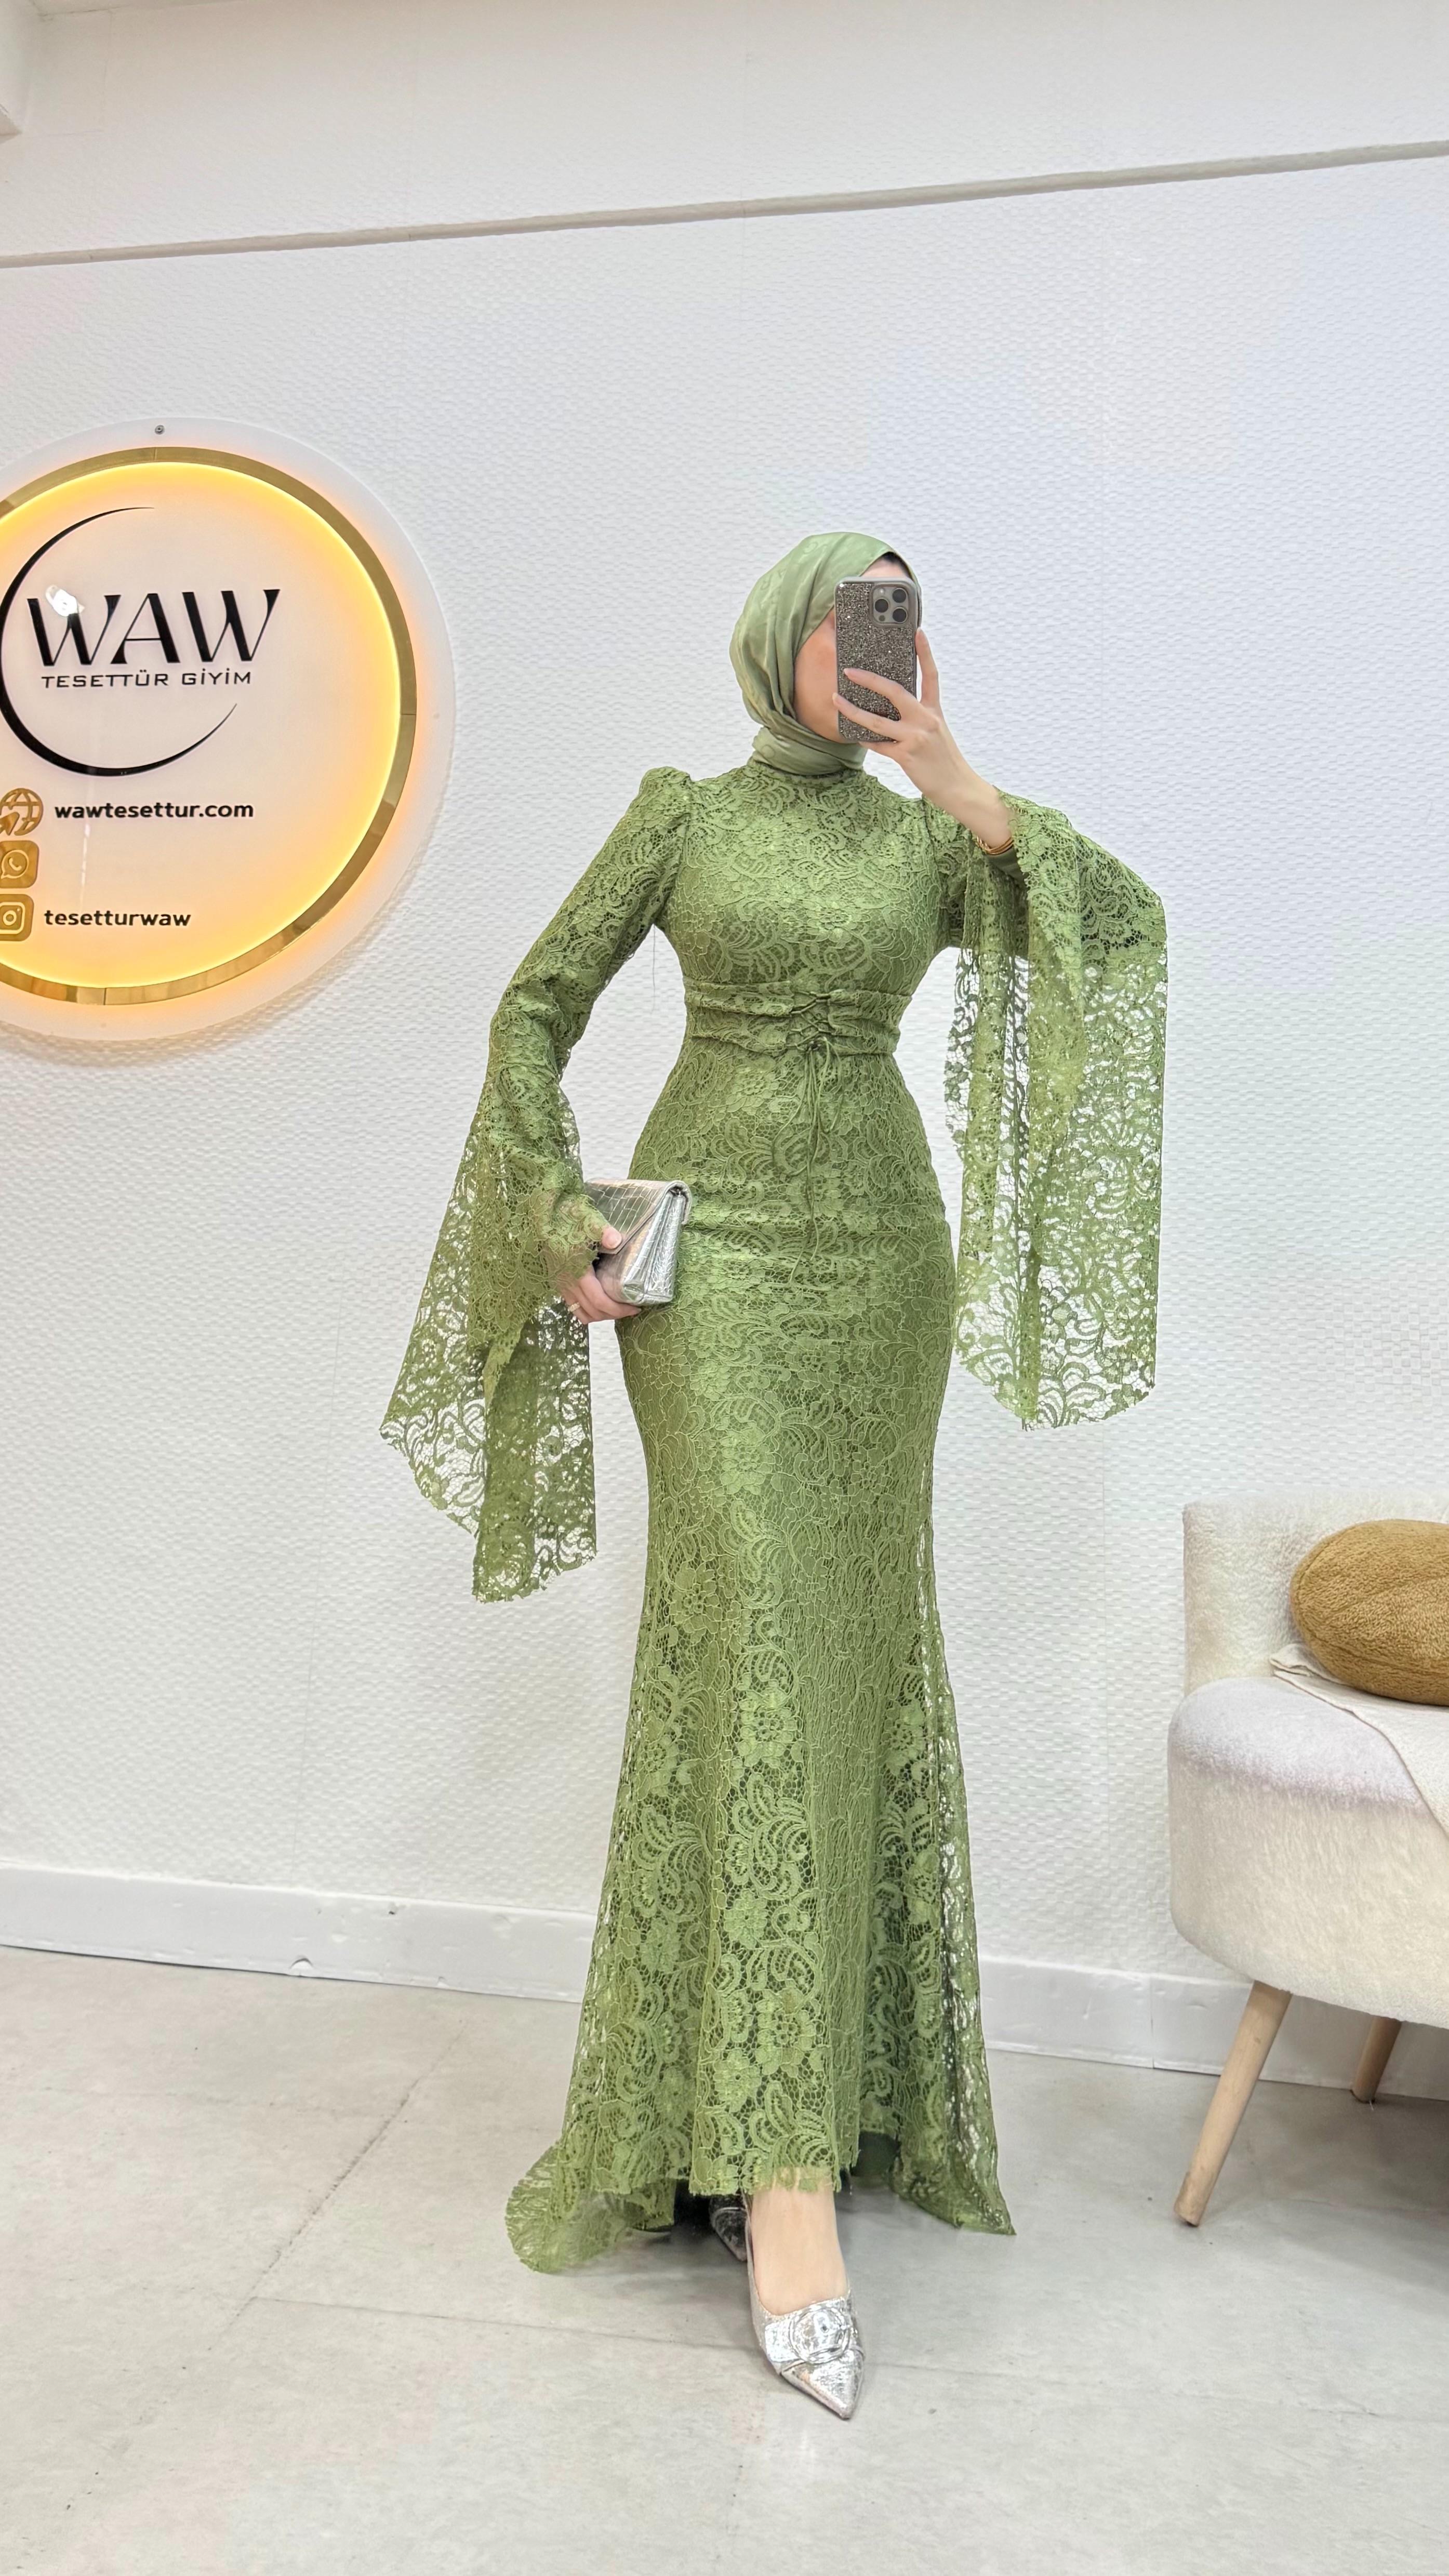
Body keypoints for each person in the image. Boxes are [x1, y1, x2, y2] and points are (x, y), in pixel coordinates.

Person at [382, 532, 1166, 2419]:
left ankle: (799, 2115)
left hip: (880, 1265)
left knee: (842, 1659)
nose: (883, 637)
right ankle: (778, 2172)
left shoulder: (928, 840)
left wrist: (961, 782)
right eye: (852, 607)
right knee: (749, 1657)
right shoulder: (684, 815)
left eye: (907, 610)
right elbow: (531, 1010)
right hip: (714, 1268)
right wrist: (557, 1216)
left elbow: (1119, 937)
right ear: (777, 635)